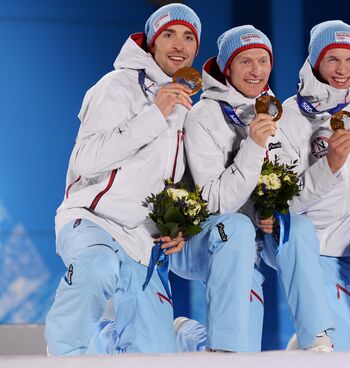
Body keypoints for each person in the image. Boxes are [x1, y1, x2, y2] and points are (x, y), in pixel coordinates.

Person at [45, 3, 257, 355]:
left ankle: (141, 338)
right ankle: (65, 353)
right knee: (96, 268)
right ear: (152, 43)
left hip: (146, 241)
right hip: (95, 221)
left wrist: (183, 224)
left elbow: (183, 184)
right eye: (169, 35)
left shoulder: (189, 104)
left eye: (189, 37)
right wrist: (154, 114)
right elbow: (86, 160)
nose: (179, 45)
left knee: (150, 356)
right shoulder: (117, 87)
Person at [180, 25, 335, 351]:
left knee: (299, 228)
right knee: (234, 228)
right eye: (245, 61)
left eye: (263, 60)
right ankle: (202, 343)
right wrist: (252, 145)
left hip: (256, 236)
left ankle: (314, 340)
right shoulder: (203, 117)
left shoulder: (279, 114)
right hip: (205, 237)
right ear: (227, 67)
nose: (256, 70)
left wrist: (278, 212)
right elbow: (214, 202)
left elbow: (293, 192)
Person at [277, 20, 350, 350]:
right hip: (319, 249)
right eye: (332, 59)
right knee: (332, 354)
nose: (343, 70)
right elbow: (285, 203)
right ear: (315, 61)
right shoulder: (290, 117)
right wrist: (330, 166)